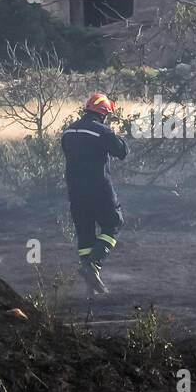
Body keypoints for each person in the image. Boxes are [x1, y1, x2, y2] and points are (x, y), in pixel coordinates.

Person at [61, 92, 128, 294]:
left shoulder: (68, 133)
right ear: (103, 114)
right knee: (114, 224)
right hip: (99, 189)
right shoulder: (101, 131)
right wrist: (114, 135)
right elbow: (122, 151)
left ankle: (91, 283)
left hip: (75, 192)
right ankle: (94, 264)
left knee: (85, 234)